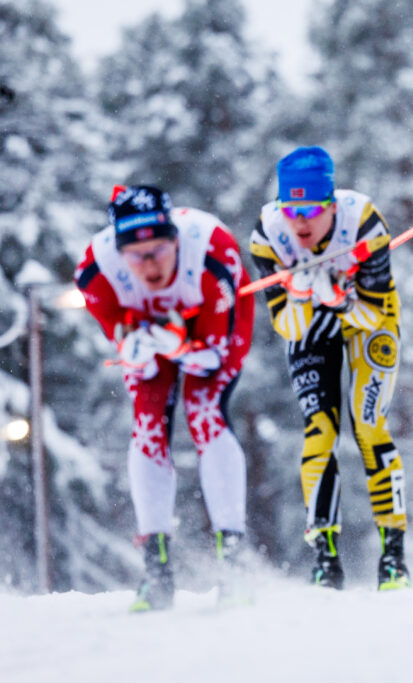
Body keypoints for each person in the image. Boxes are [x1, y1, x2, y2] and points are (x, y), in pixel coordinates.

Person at [75, 185, 254, 611]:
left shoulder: (213, 253)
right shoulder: (94, 271)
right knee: (148, 424)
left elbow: (212, 357)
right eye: (135, 256)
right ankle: (155, 567)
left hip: (214, 324)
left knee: (205, 413)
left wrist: (178, 346)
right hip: (150, 330)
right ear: (119, 255)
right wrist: (135, 344)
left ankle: (233, 561)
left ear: (175, 240)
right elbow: (134, 351)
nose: (150, 264)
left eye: (158, 250)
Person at [249, 146, 409, 591]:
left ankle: (393, 556)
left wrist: (340, 298)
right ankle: (325, 558)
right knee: (320, 430)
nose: (300, 223)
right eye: (290, 210)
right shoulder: (267, 236)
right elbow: (287, 324)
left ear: (332, 205)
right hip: (312, 318)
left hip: (367, 319)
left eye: (311, 211)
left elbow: (375, 315)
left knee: (368, 425)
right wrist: (301, 295)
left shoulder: (364, 224)